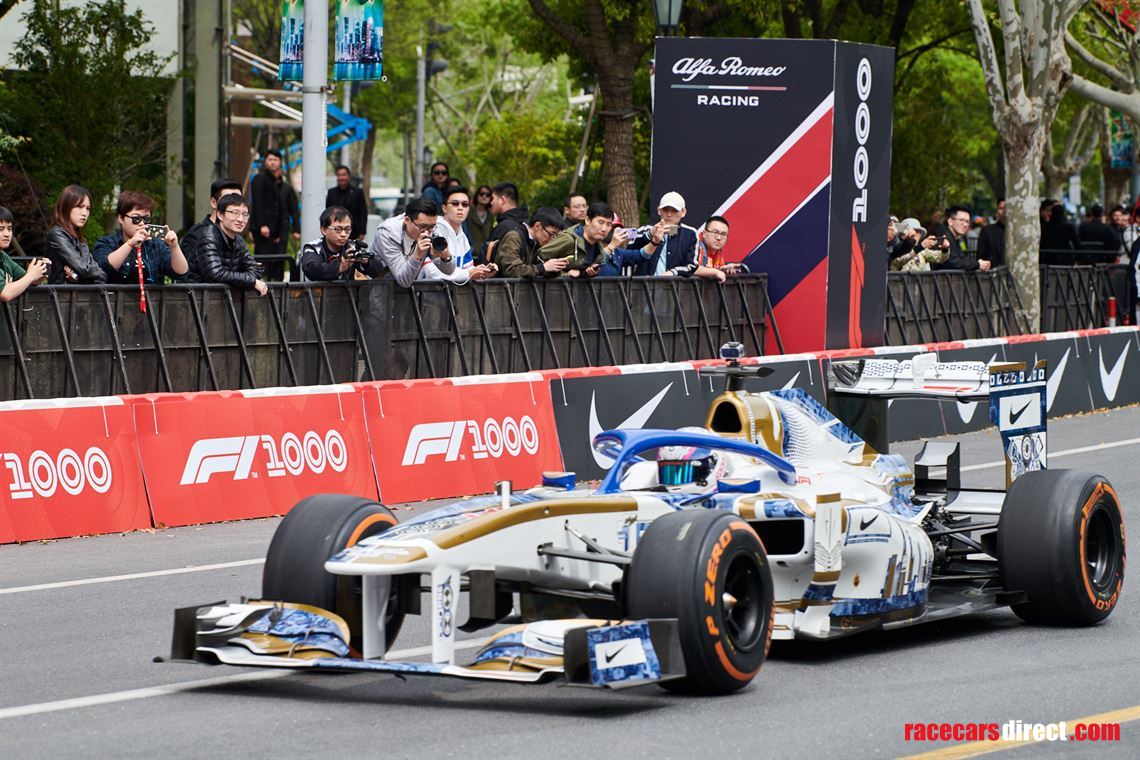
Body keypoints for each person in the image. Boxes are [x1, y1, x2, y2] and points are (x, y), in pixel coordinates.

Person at [93, 191, 188, 284]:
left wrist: (174, 246)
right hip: (118, 295)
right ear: (121, 218)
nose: (142, 223)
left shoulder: (157, 245)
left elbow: (181, 272)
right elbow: (104, 267)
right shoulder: (107, 243)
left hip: (150, 295)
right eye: (136, 219)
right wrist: (131, 243)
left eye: (146, 219)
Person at [188, 194, 268, 296]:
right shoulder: (208, 236)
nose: (241, 219)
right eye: (235, 213)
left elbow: (254, 269)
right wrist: (251, 281)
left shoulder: (239, 240)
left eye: (245, 214)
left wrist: (248, 280)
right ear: (220, 215)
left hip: (221, 297)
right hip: (196, 297)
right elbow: (215, 274)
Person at [367, 197, 457, 287]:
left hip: (411, 289)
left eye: (432, 226)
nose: (426, 232)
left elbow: (449, 271)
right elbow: (404, 280)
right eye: (422, 226)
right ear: (407, 220)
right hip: (380, 287)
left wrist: (445, 257)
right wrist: (417, 255)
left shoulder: (432, 230)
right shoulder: (388, 233)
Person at [421, 186, 495, 283]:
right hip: (425, 291)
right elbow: (432, 273)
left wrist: (483, 272)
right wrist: (470, 274)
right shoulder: (432, 229)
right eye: (455, 204)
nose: (460, 208)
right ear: (444, 208)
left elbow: (468, 268)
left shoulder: (462, 236)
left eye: (465, 204)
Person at [249, 148, 299, 280]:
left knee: (277, 261)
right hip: (263, 229)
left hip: (276, 229)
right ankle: (260, 284)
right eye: (269, 159)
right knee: (263, 260)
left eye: (275, 160)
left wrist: (287, 230)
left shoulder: (280, 184)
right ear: (265, 162)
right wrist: (262, 225)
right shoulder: (259, 179)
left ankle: (276, 286)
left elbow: (290, 209)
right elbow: (257, 204)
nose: (272, 162)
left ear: (280, 163)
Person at [300, 206, 383, 282]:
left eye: (347, 229)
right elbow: (311, 269)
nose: (343, 234)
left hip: (347, 293)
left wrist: (366, 262)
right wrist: (339, 267)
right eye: (338, 229)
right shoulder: (313, 247)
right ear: (324, 230)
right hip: (318, 293)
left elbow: (378, 271)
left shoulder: (352, 246)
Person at [44, 184, 106, 284]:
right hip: (61, 293)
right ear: (66, 207)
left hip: (78, 293)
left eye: (88, 208)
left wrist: (77, 277)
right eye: (80, 207)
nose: (84, 213)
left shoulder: (79, 239)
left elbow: (102, 276)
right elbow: (84, 269)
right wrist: (84, 274)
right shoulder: (57, 235)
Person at [539, 201, 616, 277]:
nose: (604, 229)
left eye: (608, 224)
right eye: (601, 222)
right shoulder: (568, 239)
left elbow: (578, 272)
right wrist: (565, 274)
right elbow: (538, 259)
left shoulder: (598, 247)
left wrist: (587, 274)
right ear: (587, 220)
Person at [634, 191, 703, 277]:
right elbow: (628, 245)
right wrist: (650, 234)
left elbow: (692, 265)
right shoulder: (645, 229)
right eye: (665, 209)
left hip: (674, 284)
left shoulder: (691, 233)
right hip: (644, 283)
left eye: (674, 210)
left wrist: (673, 272)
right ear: (659, 210)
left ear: (683, 212)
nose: (669, 214)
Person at [183, 178, 243, 267]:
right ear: (213, 203)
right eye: (227, 200)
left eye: (238, 201)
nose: (234, 206)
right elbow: (188, 271)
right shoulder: (198, 234)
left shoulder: (236, 236)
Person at [491, 207, 566, 279]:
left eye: (555, 236)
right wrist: (543, 267)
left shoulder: (536, 242)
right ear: (537, 226)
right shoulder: (514, 237)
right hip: (501, 287)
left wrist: (555, 269)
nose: (552, 239)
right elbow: (511, 270)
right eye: (551, 234)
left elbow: (538, 270)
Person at [0, 206, 48, 302]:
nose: (7, 234)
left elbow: (27, 281)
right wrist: (31, 275)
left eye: (9, 229)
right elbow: (5, 293)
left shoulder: (3, 256)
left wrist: (41, 270)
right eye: (1, 229)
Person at [481, 182, 529, 263]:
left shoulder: (505, 226)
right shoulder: (525, 222)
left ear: (502, 200)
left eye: (493, 198)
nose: (491, 202)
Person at [934, 205, 990, 271]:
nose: (965, 224)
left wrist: (978, 263)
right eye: (961, 220)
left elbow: (962, 258)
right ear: (950, 221)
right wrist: (978, 264)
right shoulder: (944, 237)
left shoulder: (955, 238)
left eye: (967, 221)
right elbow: (953, 263)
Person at [325, 165, 369, 241]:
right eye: (339, 175)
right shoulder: (331, 193)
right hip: (335, 231)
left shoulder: (357, 192)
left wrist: (362, 231)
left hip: (353, 232)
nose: (341, 177)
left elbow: (363, 212)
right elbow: (328, 212)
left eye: (344, 175)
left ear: (349, 176)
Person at [467, 184, 494, 259]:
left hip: (484, 254)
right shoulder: (469, 210)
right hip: (470, 252)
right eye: (482, 193)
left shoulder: (491, 214)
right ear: (477, 195)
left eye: (488, 195)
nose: (484, 196)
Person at [976, 199, 1006, 268]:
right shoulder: (987, 230)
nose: (1005, 211)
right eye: (1001, 208)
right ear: (997, 211)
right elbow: (980, 257)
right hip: (993, 271)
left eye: (1007, 208)